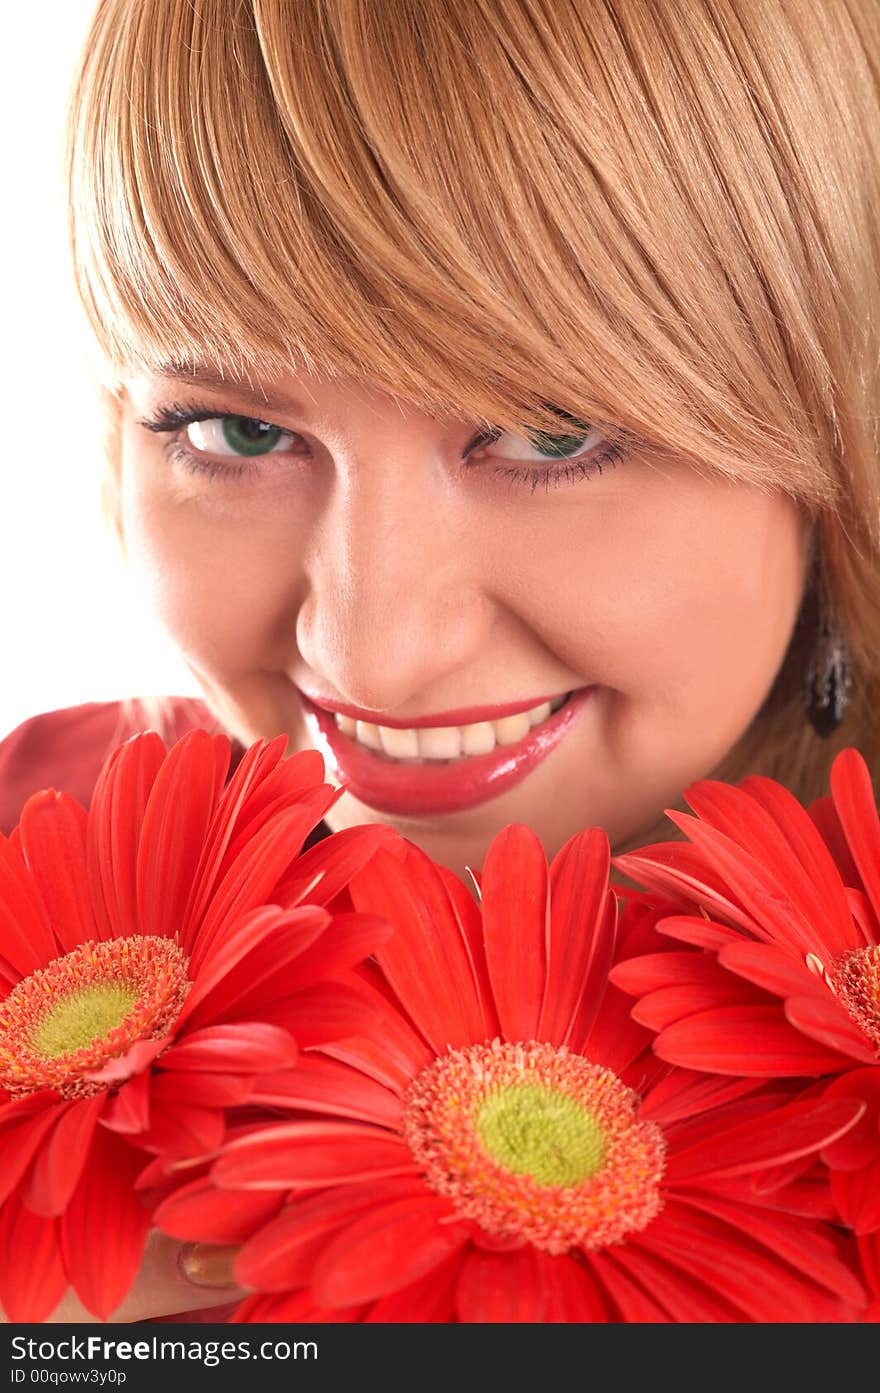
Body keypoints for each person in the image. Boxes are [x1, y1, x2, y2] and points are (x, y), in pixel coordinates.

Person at [2, 0, 878, 1321]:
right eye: (237, 430)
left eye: (549, 430)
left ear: (836, 423)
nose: (374, 654)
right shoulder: (31, 844)